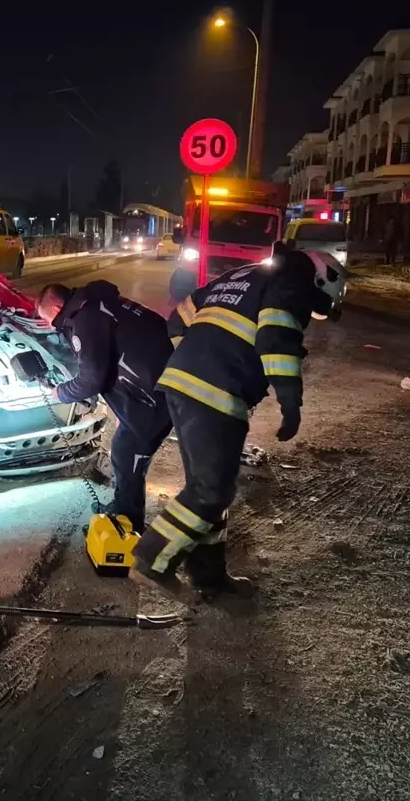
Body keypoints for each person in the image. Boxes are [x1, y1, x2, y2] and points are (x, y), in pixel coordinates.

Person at [132, 244, 348, 603]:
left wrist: (194, 357)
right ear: (320, 279)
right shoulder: (293, 282)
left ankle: (210, 576)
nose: (310, 312)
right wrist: (290, 403)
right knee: (210, 492)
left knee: (212, 488)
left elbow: (178, 318)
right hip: (215, 393)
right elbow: (277, 339)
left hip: (183, 387)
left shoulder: (242, 275)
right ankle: (152, 560)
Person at [36, 280, 174, 535]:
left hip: (153, 398)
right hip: (158, 387)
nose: (50, 326)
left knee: (129, 455)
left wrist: (61, 392)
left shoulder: (86, 319)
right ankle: (123, 509)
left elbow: (91, 379)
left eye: (48, 320)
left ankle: (129, 527)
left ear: (57, 308)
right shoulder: (101, 304)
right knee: (124, 450)